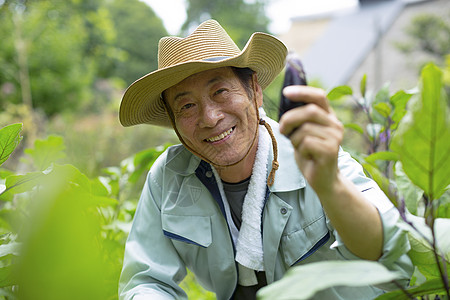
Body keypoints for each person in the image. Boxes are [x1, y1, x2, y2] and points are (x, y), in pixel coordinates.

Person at [118, 19, 413, 300]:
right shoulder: (169, 177)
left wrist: (329, 184)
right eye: (187, 106)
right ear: (173, 122)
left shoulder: (310, 153)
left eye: (220, 91)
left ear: (255, 91)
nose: (210, 117)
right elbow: (146, 280)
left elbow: (384, 247)